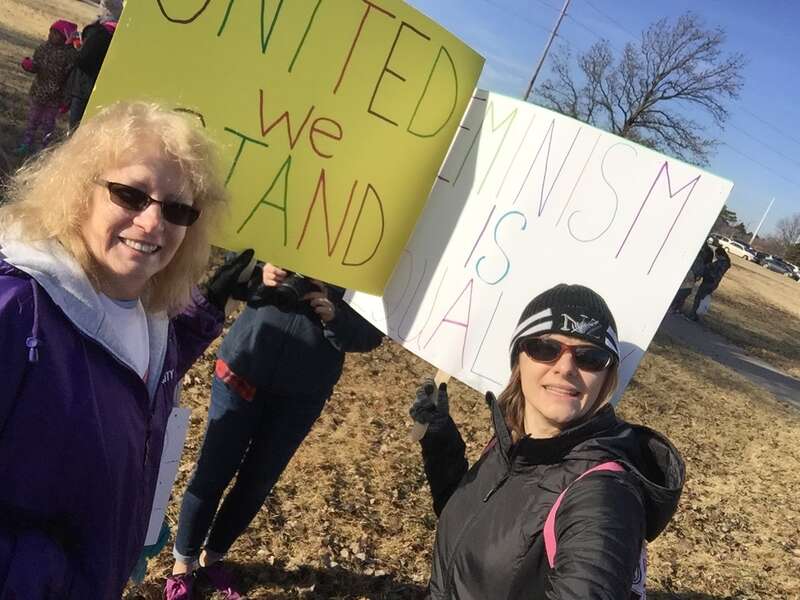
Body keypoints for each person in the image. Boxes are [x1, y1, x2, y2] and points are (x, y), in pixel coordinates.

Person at [0, 101, 253, 599]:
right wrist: (44, 575)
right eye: (130, 194)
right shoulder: (14, 308)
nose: (154, 223)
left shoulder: (149, 314)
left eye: (177, 209)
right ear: (79, 193)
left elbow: (108, 380)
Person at [410, 284, 685, 599]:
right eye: (545, 348)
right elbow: (472, 524)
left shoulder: (604, 497)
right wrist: (439, 438)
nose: (566, 368)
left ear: (606, 379)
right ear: (519, 360)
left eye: (590, 357)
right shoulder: (513, 441)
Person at [164, 266, 384, 599]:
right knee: (212, 471)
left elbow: (373, 334)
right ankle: (183, 565)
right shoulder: (287, 224)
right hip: (243, 368)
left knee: (257, 482)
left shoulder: (373, 258)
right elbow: (232, 272)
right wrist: (259, 276)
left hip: (302, 393)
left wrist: (336, 318)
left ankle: (213, 557)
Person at [16, 20, 77, 155]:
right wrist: (29, 65)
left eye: (57, 34)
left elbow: (70, 79)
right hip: (38, 92)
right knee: (32, 119)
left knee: (48, 124)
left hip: (55, 97)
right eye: (51, 32)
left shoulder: (70, 55)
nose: (52, 35)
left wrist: (66, 100)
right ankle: (26, 143)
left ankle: (43, 149)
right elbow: (36, 65)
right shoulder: (43, 47)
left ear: (65, 37)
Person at [67, 19, 116, 129]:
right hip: (102, 90)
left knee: (75, 127)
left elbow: (83, 60)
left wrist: (77, 50)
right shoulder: (118, 38)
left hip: (83, 89)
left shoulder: (98, 35)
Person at [687, 246, 730, 321]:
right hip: (714, 284)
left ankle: (693, 315)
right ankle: (696, 314)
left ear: (720, 255)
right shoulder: (726, 263)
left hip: (708, 282)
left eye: (716, 255)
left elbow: (709, 268)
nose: (715, 256)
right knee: (702, 299)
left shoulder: (719, 263)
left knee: (698, 298)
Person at [669, 242, 712, 314]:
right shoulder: (701, 259)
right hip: (692, 276)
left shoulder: (698, 258)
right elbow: (701, 270)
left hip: (690, 275)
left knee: (682, 291)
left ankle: (674, 307)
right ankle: (677, 307)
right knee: (684, 292)